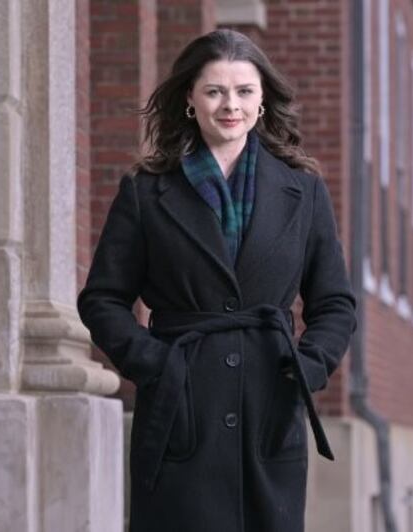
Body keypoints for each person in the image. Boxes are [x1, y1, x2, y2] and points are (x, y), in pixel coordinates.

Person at [77, 29, 356, 532]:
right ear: (190, 98)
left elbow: (335, 303)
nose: (231, 105)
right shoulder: (146, 191)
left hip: (269, 405)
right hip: (180, 411)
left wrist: (307, 368)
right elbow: (102, 299)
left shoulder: (303, 191)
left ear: (262, 100)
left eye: (244, 91)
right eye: (215, 91)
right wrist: (158, 365)